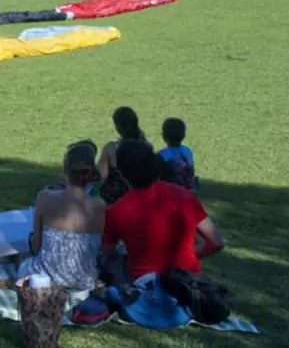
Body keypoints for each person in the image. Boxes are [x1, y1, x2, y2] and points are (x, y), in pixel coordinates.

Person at [101, 141, 224, 280]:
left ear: (122, 173)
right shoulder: (185, 196)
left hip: (147, 287)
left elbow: (107, 251)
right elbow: (216, 242)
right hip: (188, 281)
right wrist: (187, 258)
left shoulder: (116, 212)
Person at [21, 141, 106, 301]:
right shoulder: (99, 207)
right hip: (83, 283)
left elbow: (36, 246)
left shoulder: (45, 197)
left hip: (46, 281)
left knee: (21, 260)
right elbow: (98, 250)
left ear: (65, 170)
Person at [97, 107, 148, 205]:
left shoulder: (111, 148)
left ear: (119, 128)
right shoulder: (146, 146)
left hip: (114, 199)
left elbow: (101, 176)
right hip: (141, 197)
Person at [159, 118, 197, 191]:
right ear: (184, 135)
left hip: (171, 192)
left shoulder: (162, 155)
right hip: (188, 189)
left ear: (164, 136)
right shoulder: (187, 151)